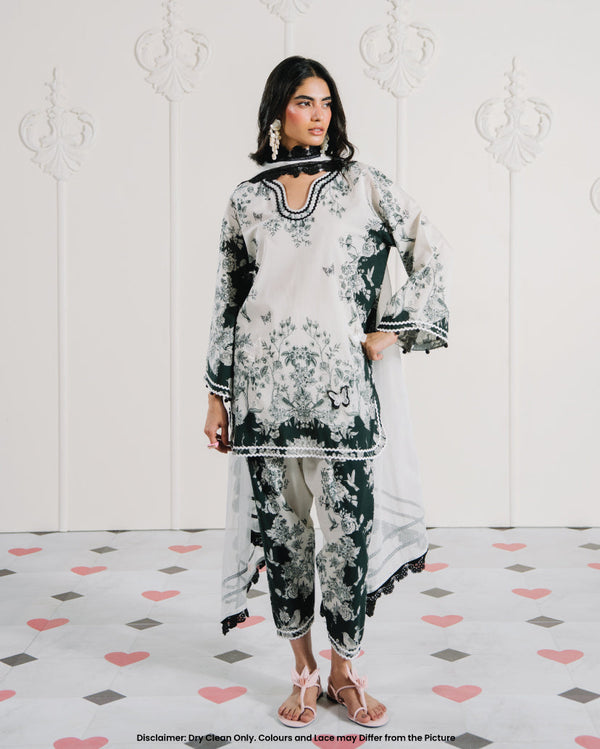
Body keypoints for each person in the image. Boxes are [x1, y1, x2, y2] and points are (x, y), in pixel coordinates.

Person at [204, 56, 451, 729]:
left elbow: (428, 247)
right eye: (304, 102)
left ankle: (345, 669)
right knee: (285, 541)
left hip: (342, 401)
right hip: (263, 400)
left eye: (326, 103)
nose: (319, 115)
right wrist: (217, 395)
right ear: (277, 111)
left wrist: (392, 330)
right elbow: (228, 302)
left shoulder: (362, 185)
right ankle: (304, 670)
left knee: (347, 539)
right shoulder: (247, 198)